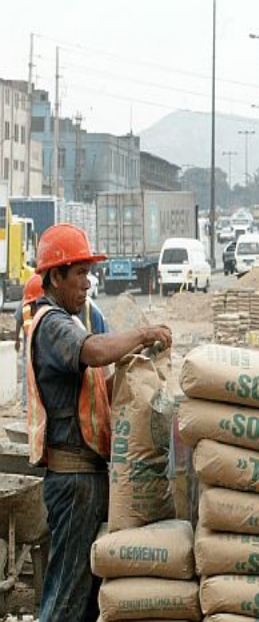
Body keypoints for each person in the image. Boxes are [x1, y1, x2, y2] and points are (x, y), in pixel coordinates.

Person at [26, 223, 172, 622]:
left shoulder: (69, 322)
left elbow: (92, 384)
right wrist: (141, 335)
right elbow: (92, 353)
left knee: (87, 598)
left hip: (86, 476)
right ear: (55, 277)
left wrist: (131, 378)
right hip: (72, 479)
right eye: (80, 274)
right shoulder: (52, 324)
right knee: (66, 598)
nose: (88, 284)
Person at [14, 275, 45, 416]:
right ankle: (29, 404)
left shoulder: (26, 302)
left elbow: (17, 321)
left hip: (32, 344)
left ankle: (29, 404)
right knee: (33, 374)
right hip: (35, 344)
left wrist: (17, 340)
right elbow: (18, 321)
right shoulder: (36, 301)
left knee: (30, 374)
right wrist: (17, 340)